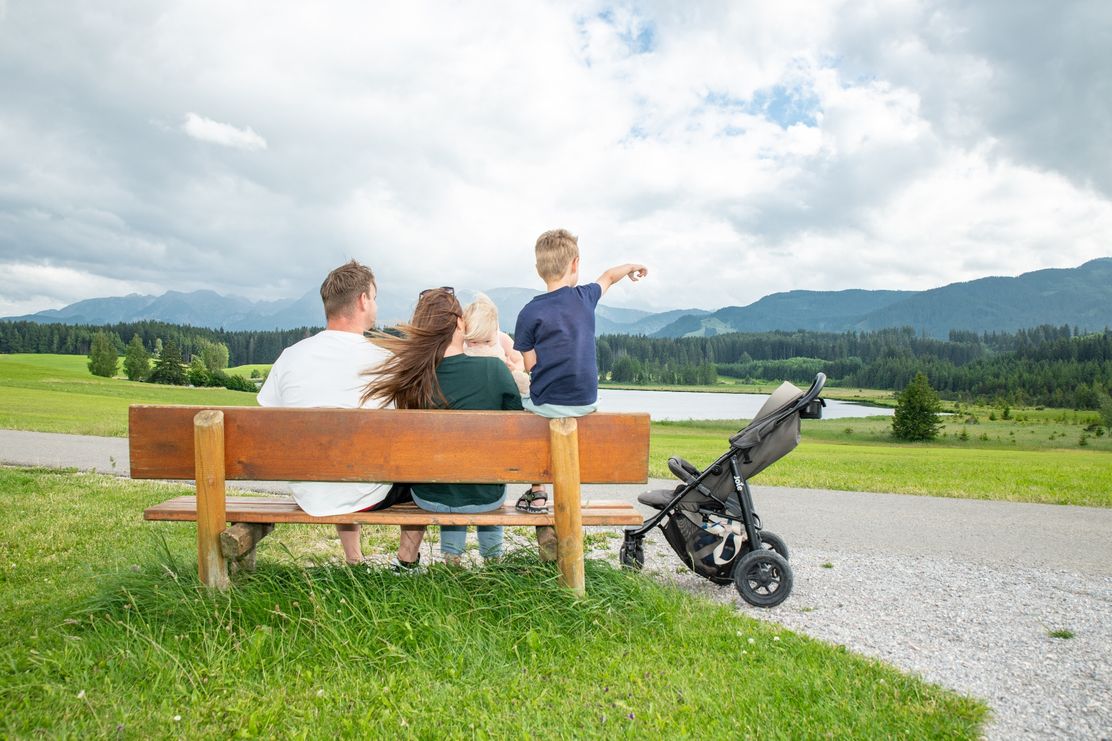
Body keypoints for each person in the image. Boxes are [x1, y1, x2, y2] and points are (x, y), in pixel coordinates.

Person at [257, 260, 425, 571]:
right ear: (363, 300)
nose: (374, 304)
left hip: (309, 489)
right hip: (365, 490)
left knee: (335, 454)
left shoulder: (291, 356)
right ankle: (407, 560)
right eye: (374, 297)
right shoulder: (384, 361)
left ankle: (353, 558)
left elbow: (268, 419)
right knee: (420, 467)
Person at [362, 288, 523, 565]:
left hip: (429, 496)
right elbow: (518, 433)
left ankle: (452, 559)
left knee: (449, 474)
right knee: (480, 473)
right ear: (461, 323)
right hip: (485, 496)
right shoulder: (494, 370)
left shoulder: (412, 379)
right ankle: (494, 559)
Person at [512, 228, 647, 512]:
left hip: (547, 406)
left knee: (522, 396)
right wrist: (632, 267)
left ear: (539, 269)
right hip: (586, 403)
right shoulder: (585, 297)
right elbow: (609, 275)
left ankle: (537, 490)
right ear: (575, 264)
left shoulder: (528, 313)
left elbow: (530, 366)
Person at [462, 292, 531, 397]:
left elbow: (520, 360)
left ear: (496, 330)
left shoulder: (502, 339)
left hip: (500, 385)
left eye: (487, 341)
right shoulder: (462, 344)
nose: (482, 346)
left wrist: (515, 368)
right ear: (465, 334)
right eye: (474, 342)